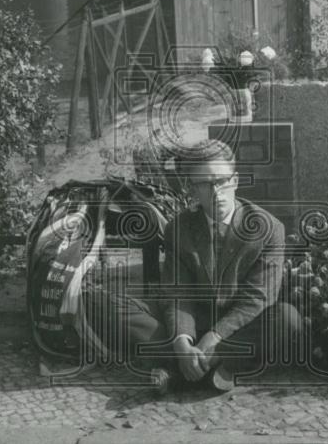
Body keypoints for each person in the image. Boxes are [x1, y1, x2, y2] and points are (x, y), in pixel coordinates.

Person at [84, 139, 302, 393]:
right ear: (193, 189)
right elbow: (178, 294)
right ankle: (208, 366)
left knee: (288, 318)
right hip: (195, 318)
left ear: (236, 180)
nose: (216, 192)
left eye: (222, 181)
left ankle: (180, 371)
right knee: (109, 304)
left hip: (238, 328)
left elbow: (259, 298)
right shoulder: (179, 228)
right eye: (205, 184)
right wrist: (181, 341)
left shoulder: (268, 228)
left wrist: (216, 337)